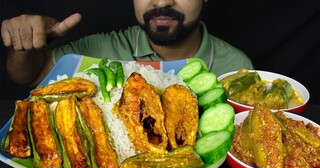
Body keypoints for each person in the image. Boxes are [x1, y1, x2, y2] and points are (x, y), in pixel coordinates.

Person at [1, 0, 254, 88]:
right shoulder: (99, 48)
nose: (162, 1)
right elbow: (31, 76)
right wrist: (26, 47)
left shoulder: (238, 68)